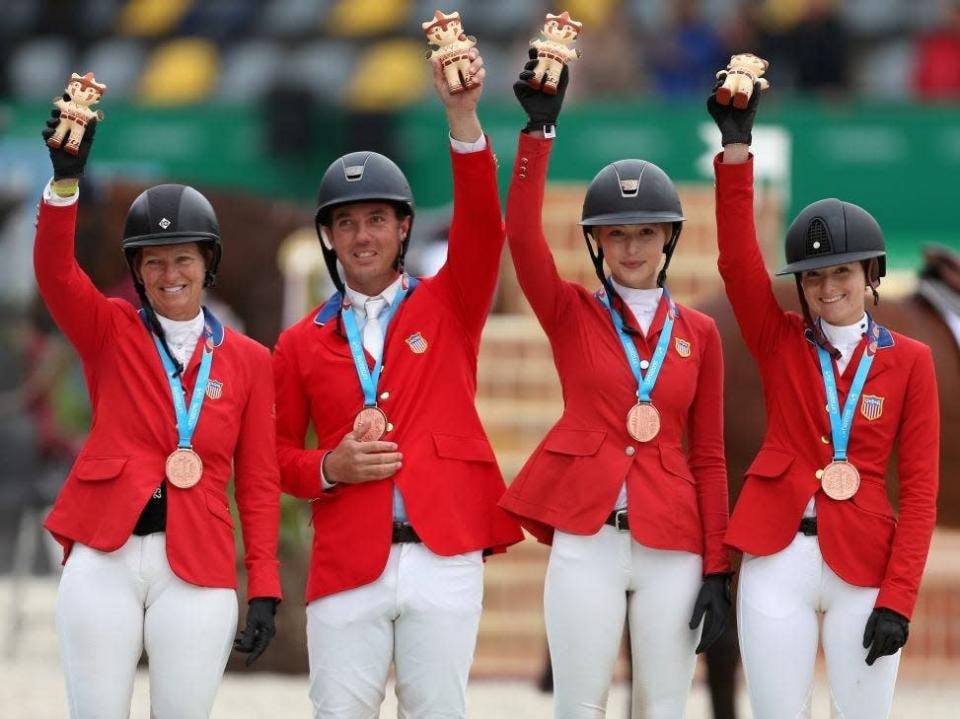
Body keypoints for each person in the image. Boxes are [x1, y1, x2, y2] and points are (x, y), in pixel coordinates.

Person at [272, 48, 524, 718]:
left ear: (404, 226)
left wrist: (462, 116)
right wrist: (330, 464)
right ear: (327, 235)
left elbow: (482, 224)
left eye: (376, 219)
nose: (362, 236)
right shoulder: (299, 343)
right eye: (346, 222)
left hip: (443, 554)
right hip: (346, 557)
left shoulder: (452, 303)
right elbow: (272, 458)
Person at [498, 53, 732, 718]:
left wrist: (717, 564)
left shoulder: (699, 333)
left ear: (667, 239)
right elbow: (521, 240)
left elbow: (709, 458)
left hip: (673, 543)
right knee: (580, 705)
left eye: (645, 232)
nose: (632, 246)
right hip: (587, 537)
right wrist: (536, 137)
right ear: (598, 242)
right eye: (617, 234)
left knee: (663, 707)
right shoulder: (572, 313)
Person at [34, 106, 282, 719]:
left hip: (196, 563)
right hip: (104, 554)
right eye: (154, 262)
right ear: (137, 273)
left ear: (208, 264)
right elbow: (54, 272)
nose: (170, 274)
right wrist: (65, 184)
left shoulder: (249, 360)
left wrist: (266, 587)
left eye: (183, 259)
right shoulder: (109, 331)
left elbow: (257, 481)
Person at [708, 74, 939, 718]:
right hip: (775, 558)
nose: (826, 287)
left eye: (841, 271)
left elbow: (919, 492)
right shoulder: (778, 339)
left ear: (871, 276)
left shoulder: (911, 362)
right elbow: (736, 263)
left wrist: (900, 596)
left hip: (864, 564)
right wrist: (735, 152)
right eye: (813, 276)